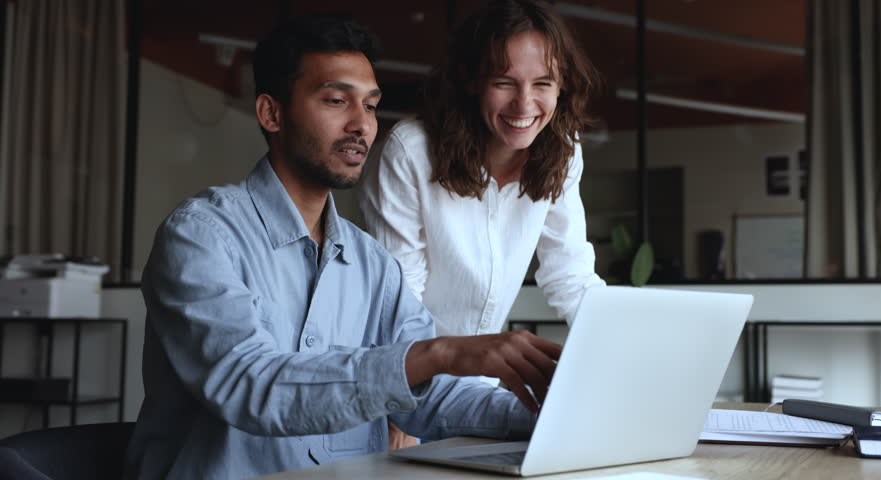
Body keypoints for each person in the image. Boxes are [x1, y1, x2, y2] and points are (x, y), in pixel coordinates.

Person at [124, 16, 562, 480]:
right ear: (271, 113)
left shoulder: (372, 263)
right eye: (336, 101)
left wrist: (554, 413)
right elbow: (250, 386)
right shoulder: (200, 236)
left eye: (371, 106)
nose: (362, 124)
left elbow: (432, 397)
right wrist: (439, 352)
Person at [357, 0, 604, 448]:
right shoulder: (411, 152)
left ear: (562, 86)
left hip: (485, 388)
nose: (525, 104)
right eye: (504, 82)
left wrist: (631, 355)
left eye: (542, 83)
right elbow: (399, 304)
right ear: (472, 81)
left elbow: (570, 276)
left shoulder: (563, 153)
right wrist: (399, 413)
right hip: (413, 385)